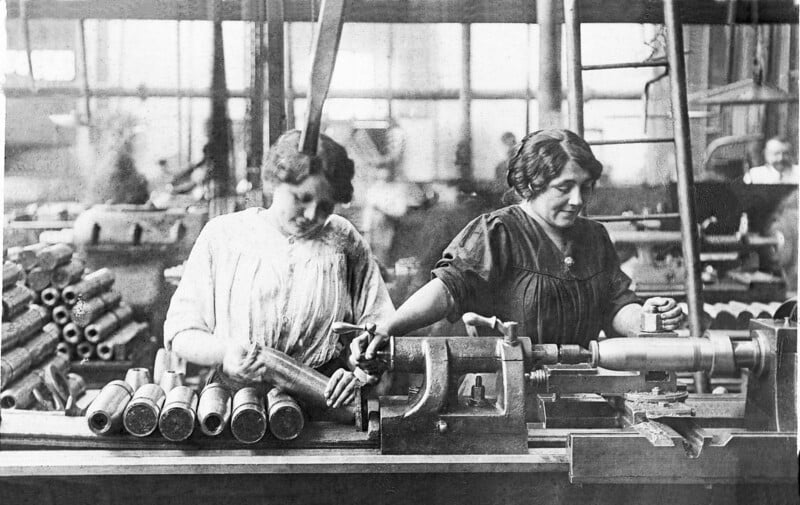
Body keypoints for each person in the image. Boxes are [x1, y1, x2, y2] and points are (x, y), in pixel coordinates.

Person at [352, 129, 684, 365]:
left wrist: (645, 319)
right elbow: (447, 289)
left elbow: (616, 305)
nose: (578, 200)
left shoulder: (594, 237)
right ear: (530, 186)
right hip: (507, 394)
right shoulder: (499, 232)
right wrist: (389, 328)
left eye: (585, 187)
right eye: (564, 188)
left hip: (581, 388)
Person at [163, 129, 394, 409]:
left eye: (324, 206)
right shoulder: (224, 235)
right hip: (235, 406)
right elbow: (181, 333)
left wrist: (358, 375)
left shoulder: (342, 240)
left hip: (323, 404)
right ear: (275, 182)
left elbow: (381, 328)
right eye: (301, 198)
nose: (311, 215)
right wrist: (224, 352)